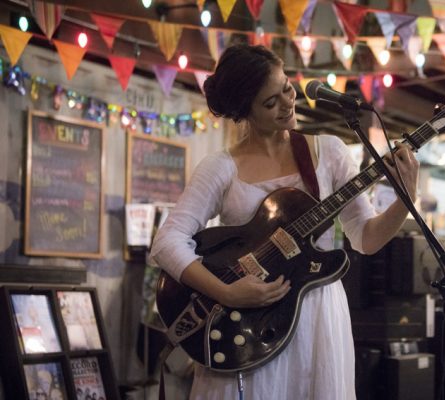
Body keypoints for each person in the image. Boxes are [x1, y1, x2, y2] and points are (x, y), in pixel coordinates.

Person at [150, 43, 419, 400]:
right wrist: (227, 292)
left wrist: (405, 198)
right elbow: (167, 242)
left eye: (287, 88)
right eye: (270, 102)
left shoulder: (329, 152)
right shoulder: (220, 167)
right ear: (244, 110)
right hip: (248, 319)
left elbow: (366, 239)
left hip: (317, 318)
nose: (287, 103)